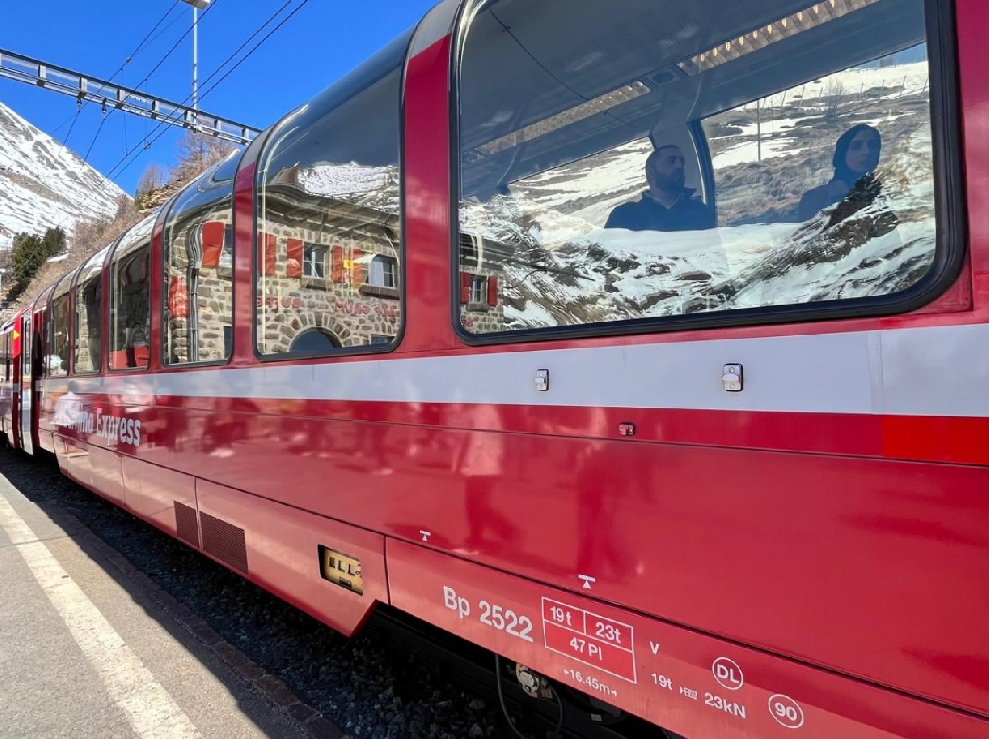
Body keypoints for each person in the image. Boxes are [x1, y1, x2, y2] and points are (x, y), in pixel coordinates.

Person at [605, 145, 717, 232]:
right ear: (651, 174)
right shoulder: (624, 216)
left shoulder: (701, 211)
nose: (679, 166)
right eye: (670, 161)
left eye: (681, 161)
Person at [797, 124, 883, 223]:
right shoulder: (816, 198)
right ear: (843, 153)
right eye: (856, 146)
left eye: (873, 145)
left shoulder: (883, 192)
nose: (867, 151)